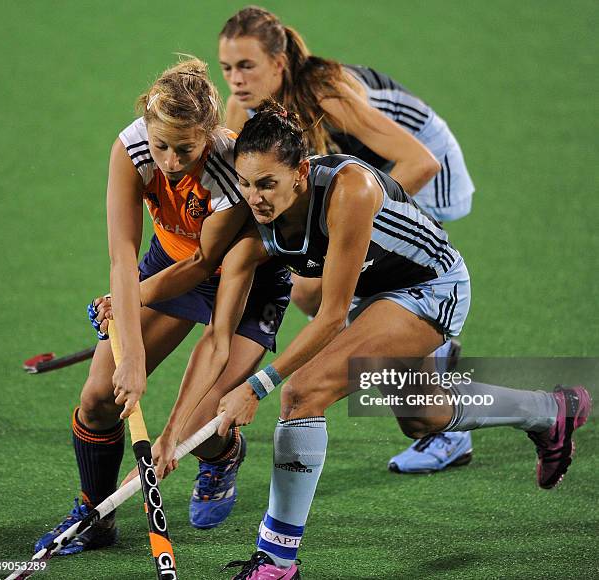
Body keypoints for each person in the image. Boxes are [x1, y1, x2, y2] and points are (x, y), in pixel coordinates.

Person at [151, 102, 587, 578]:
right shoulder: (249, 217)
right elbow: (218, 337)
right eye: (246, 183)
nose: (254, 198)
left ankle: (277, 562)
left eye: (267, 184)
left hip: (430, 287)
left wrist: (256, 386)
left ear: (299, 172)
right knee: (424, 418)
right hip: (374, 293)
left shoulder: (349, 190)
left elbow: (332, 317)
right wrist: (172, 433)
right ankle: (550, 411)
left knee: (301, 393)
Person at [33, 58, 292, 555]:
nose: (171, 161)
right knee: (98, 399)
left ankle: (224, 455)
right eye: (161, 146)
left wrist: (132, 306)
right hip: (168, 258)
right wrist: (129, 352)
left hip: (242, 277)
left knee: (200, 426)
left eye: (185, 149)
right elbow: (122, 254)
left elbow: (202, 265)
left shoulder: (227, 171)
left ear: (210, 134)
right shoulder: (130, 148)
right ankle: (95, 515)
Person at [217, 6, 475, 474]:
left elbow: (419, 162)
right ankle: (413, 352)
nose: (235, 79)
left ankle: (441, 395)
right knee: (310, 291)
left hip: (422, 164)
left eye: (247, 65)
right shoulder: (244, 109)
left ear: (278, 64)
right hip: (359, 178)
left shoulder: (325, 91)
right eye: (228, 68)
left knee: (350, 287)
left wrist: (350, 226)